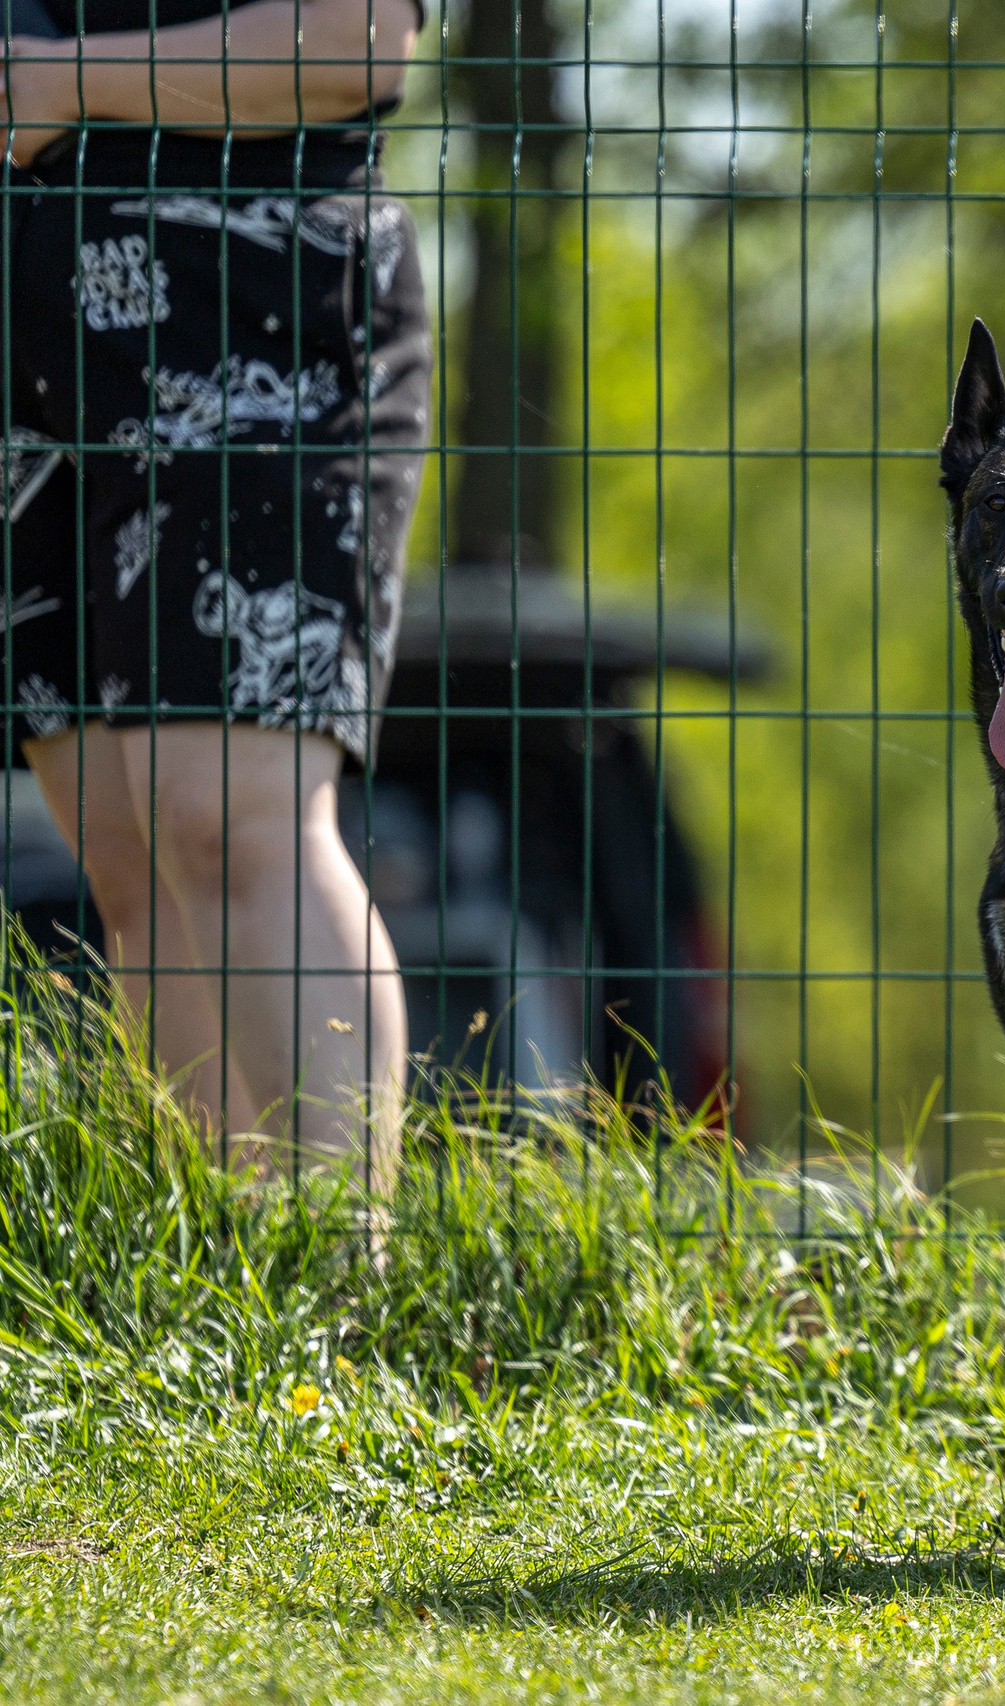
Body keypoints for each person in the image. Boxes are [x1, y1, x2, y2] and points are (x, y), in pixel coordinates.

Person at [1, 0, 431, 1195]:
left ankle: (344, 1300)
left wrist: (62, 81)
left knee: (229, 823)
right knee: (129, 850)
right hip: (38, 326)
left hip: (258, 299)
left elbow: (358, 43)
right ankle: (226, 1288)